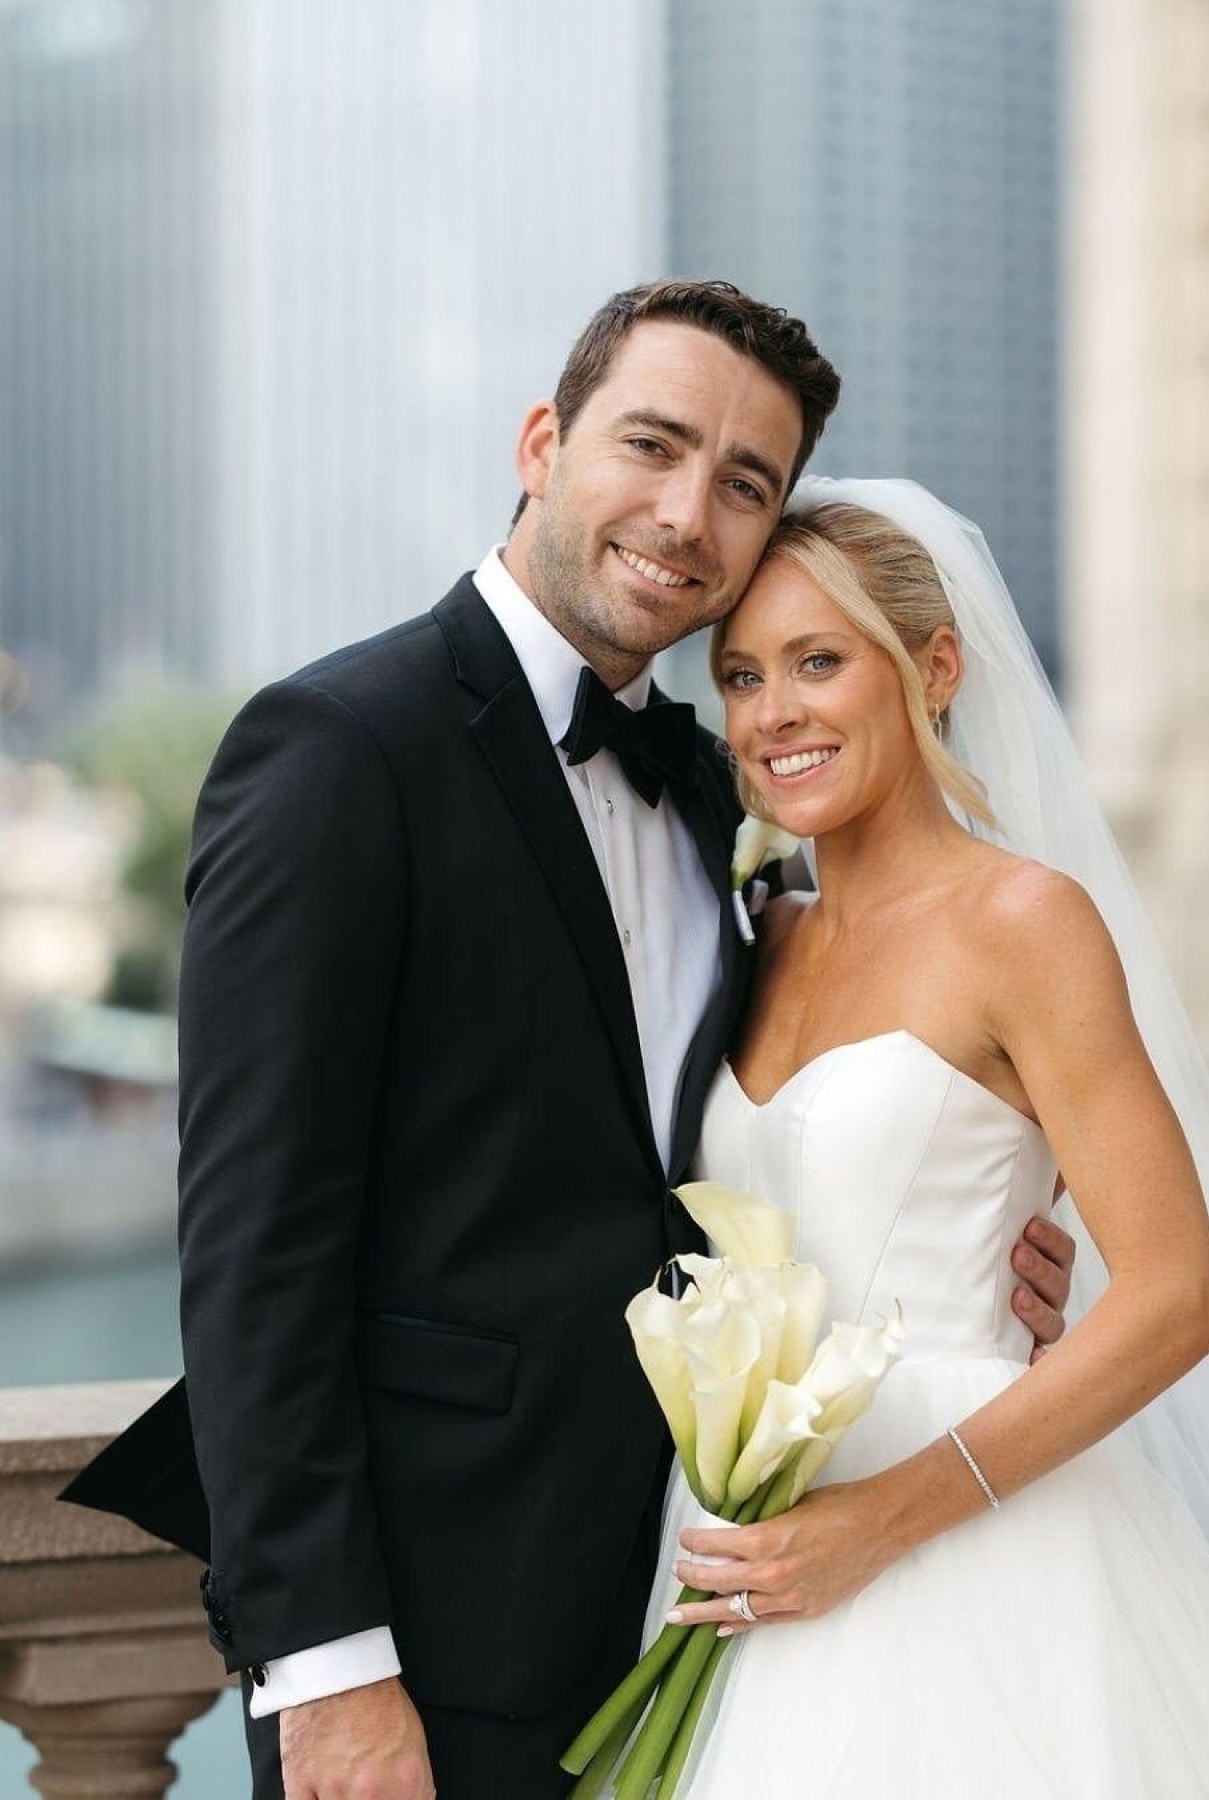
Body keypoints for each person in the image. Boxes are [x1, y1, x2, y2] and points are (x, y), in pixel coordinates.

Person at [59, 287, 1078, 1799]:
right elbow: (253, 1256)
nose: (687, 513)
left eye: (745, 483)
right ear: (544, 442)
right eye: (652, 445)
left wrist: (970, 1233)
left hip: (698, 1599)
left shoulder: (727, 796)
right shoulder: (338, 749)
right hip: (429, 1645)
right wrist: (331, 1674)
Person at [649, 480, 1209, 1797]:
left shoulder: (1024, 919)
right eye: (740, 675)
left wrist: (875, 1524)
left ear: (935, 668)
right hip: (751, 1538)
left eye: (819, 661)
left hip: (972, 1539)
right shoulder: (760, 929)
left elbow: (1179, 1296)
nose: (772, 711)